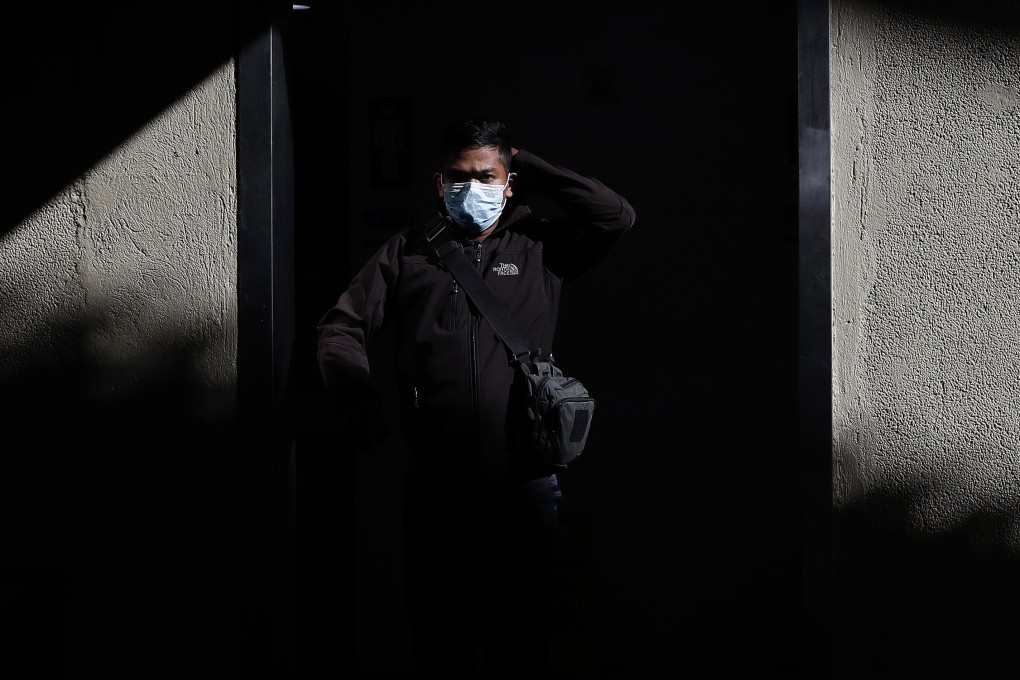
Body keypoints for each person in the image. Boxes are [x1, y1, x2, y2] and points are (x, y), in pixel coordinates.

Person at [316, 116, 635, 678]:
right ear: (439, 183)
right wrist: (352, 390)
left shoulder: (540, 247)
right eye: (458, 177)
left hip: (524, 484)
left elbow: (615, 215)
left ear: (508, 183)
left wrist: (529, 165)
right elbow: (342, 326)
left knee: (522, 642)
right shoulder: (408, 252)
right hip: (437, 489)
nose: (472, 189)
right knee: (442, 643)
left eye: (487, 176)